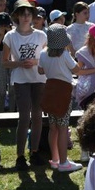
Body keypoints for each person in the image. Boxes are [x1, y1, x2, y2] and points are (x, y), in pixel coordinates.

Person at [3, 0, 47, 170]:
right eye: (23, 14)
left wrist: (35, 61)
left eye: (29, 14)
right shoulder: (10, 36)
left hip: (39, 79)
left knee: (37, 116)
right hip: (20, 80)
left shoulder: (41, 35)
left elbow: (47, 58)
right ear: (17, 16)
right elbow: (5, 62)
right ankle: (20, 156)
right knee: (24, 117)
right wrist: (19, 63)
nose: (26, 17)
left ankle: (35, 152)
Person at [37, 24, 82, 172]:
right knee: (63, 127)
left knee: (53, 127)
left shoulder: (43, 53)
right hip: (63, 91)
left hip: (50, 90)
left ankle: (55, 159)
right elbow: (76, 69)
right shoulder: (64, 54)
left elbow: (40, 70)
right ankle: (64, 163)